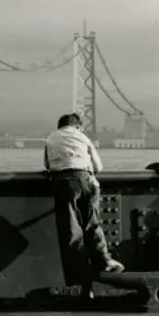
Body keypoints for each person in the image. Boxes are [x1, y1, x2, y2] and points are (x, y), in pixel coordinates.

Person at [44, 112, 124, 291]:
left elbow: (48, 166)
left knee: (72, 229)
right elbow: (98, 167)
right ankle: (105, 261)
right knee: (92, 224)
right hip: (86, 180)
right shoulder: (82, 137)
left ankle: (80, 276)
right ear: (78, 126)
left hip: (64, 183)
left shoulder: (50, 139)